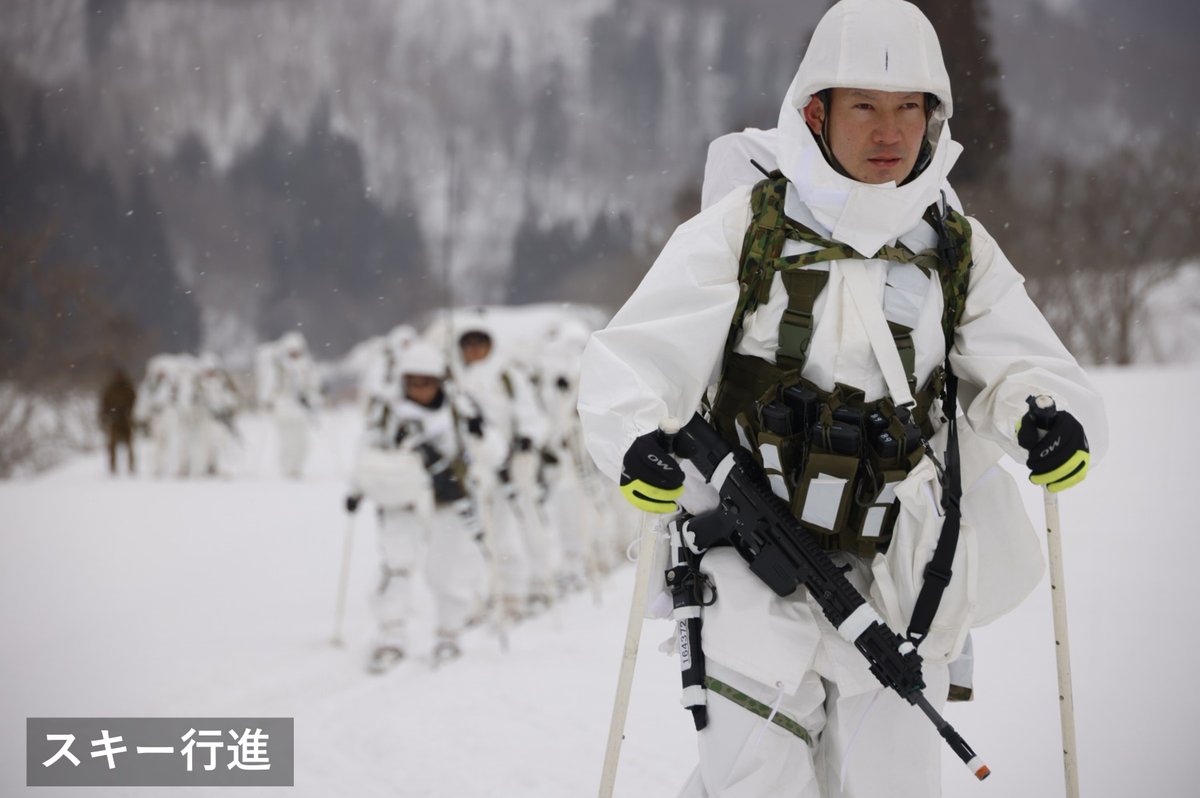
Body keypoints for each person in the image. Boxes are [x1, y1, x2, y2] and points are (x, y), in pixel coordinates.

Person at [576, 1, 1108, 796]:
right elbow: (637, 354)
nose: (889, 131)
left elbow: (1023, 362)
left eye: (909, 109)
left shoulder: (954, 245)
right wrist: (634, 440)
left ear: (934, 118)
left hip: (902, 575)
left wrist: (1045, 419)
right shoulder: (744, 228)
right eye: (865, 107)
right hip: (748, 563)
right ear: (816, 112)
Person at [346, 341, 499, 671]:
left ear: (440, 381)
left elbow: (490, 454)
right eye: (412, 382)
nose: (419, 389)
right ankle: (391, 635)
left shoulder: (460, 409)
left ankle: (449, 634)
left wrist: (481, 435)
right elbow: (366, 450)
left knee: (449, 570)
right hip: (400, 500)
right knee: (397, 567)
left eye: (426, 382)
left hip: (449, 502)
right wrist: (355, 490)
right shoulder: (387, 411)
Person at [257, 331, 321, 479]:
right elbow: (270, 385)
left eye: (296, 350)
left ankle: (297, 468)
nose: (294, 353)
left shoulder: (307, 365)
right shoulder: (279, 366)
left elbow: (313, 385)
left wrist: (315, 396)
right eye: (291, 351)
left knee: (302, 442)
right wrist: (267, 400)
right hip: (283, 408)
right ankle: (287, 469)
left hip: (300, 410)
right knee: (286, 441)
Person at [99, 367, 137, 475]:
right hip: (114, 419)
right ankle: (112, 467)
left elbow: (134, 401)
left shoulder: (128, 387)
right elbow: (104, 404)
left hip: (126, 419)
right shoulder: (110, 389)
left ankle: (131, 467)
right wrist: (105, 416)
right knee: (112, 445)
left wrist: (130, 413)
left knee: (129, 445)